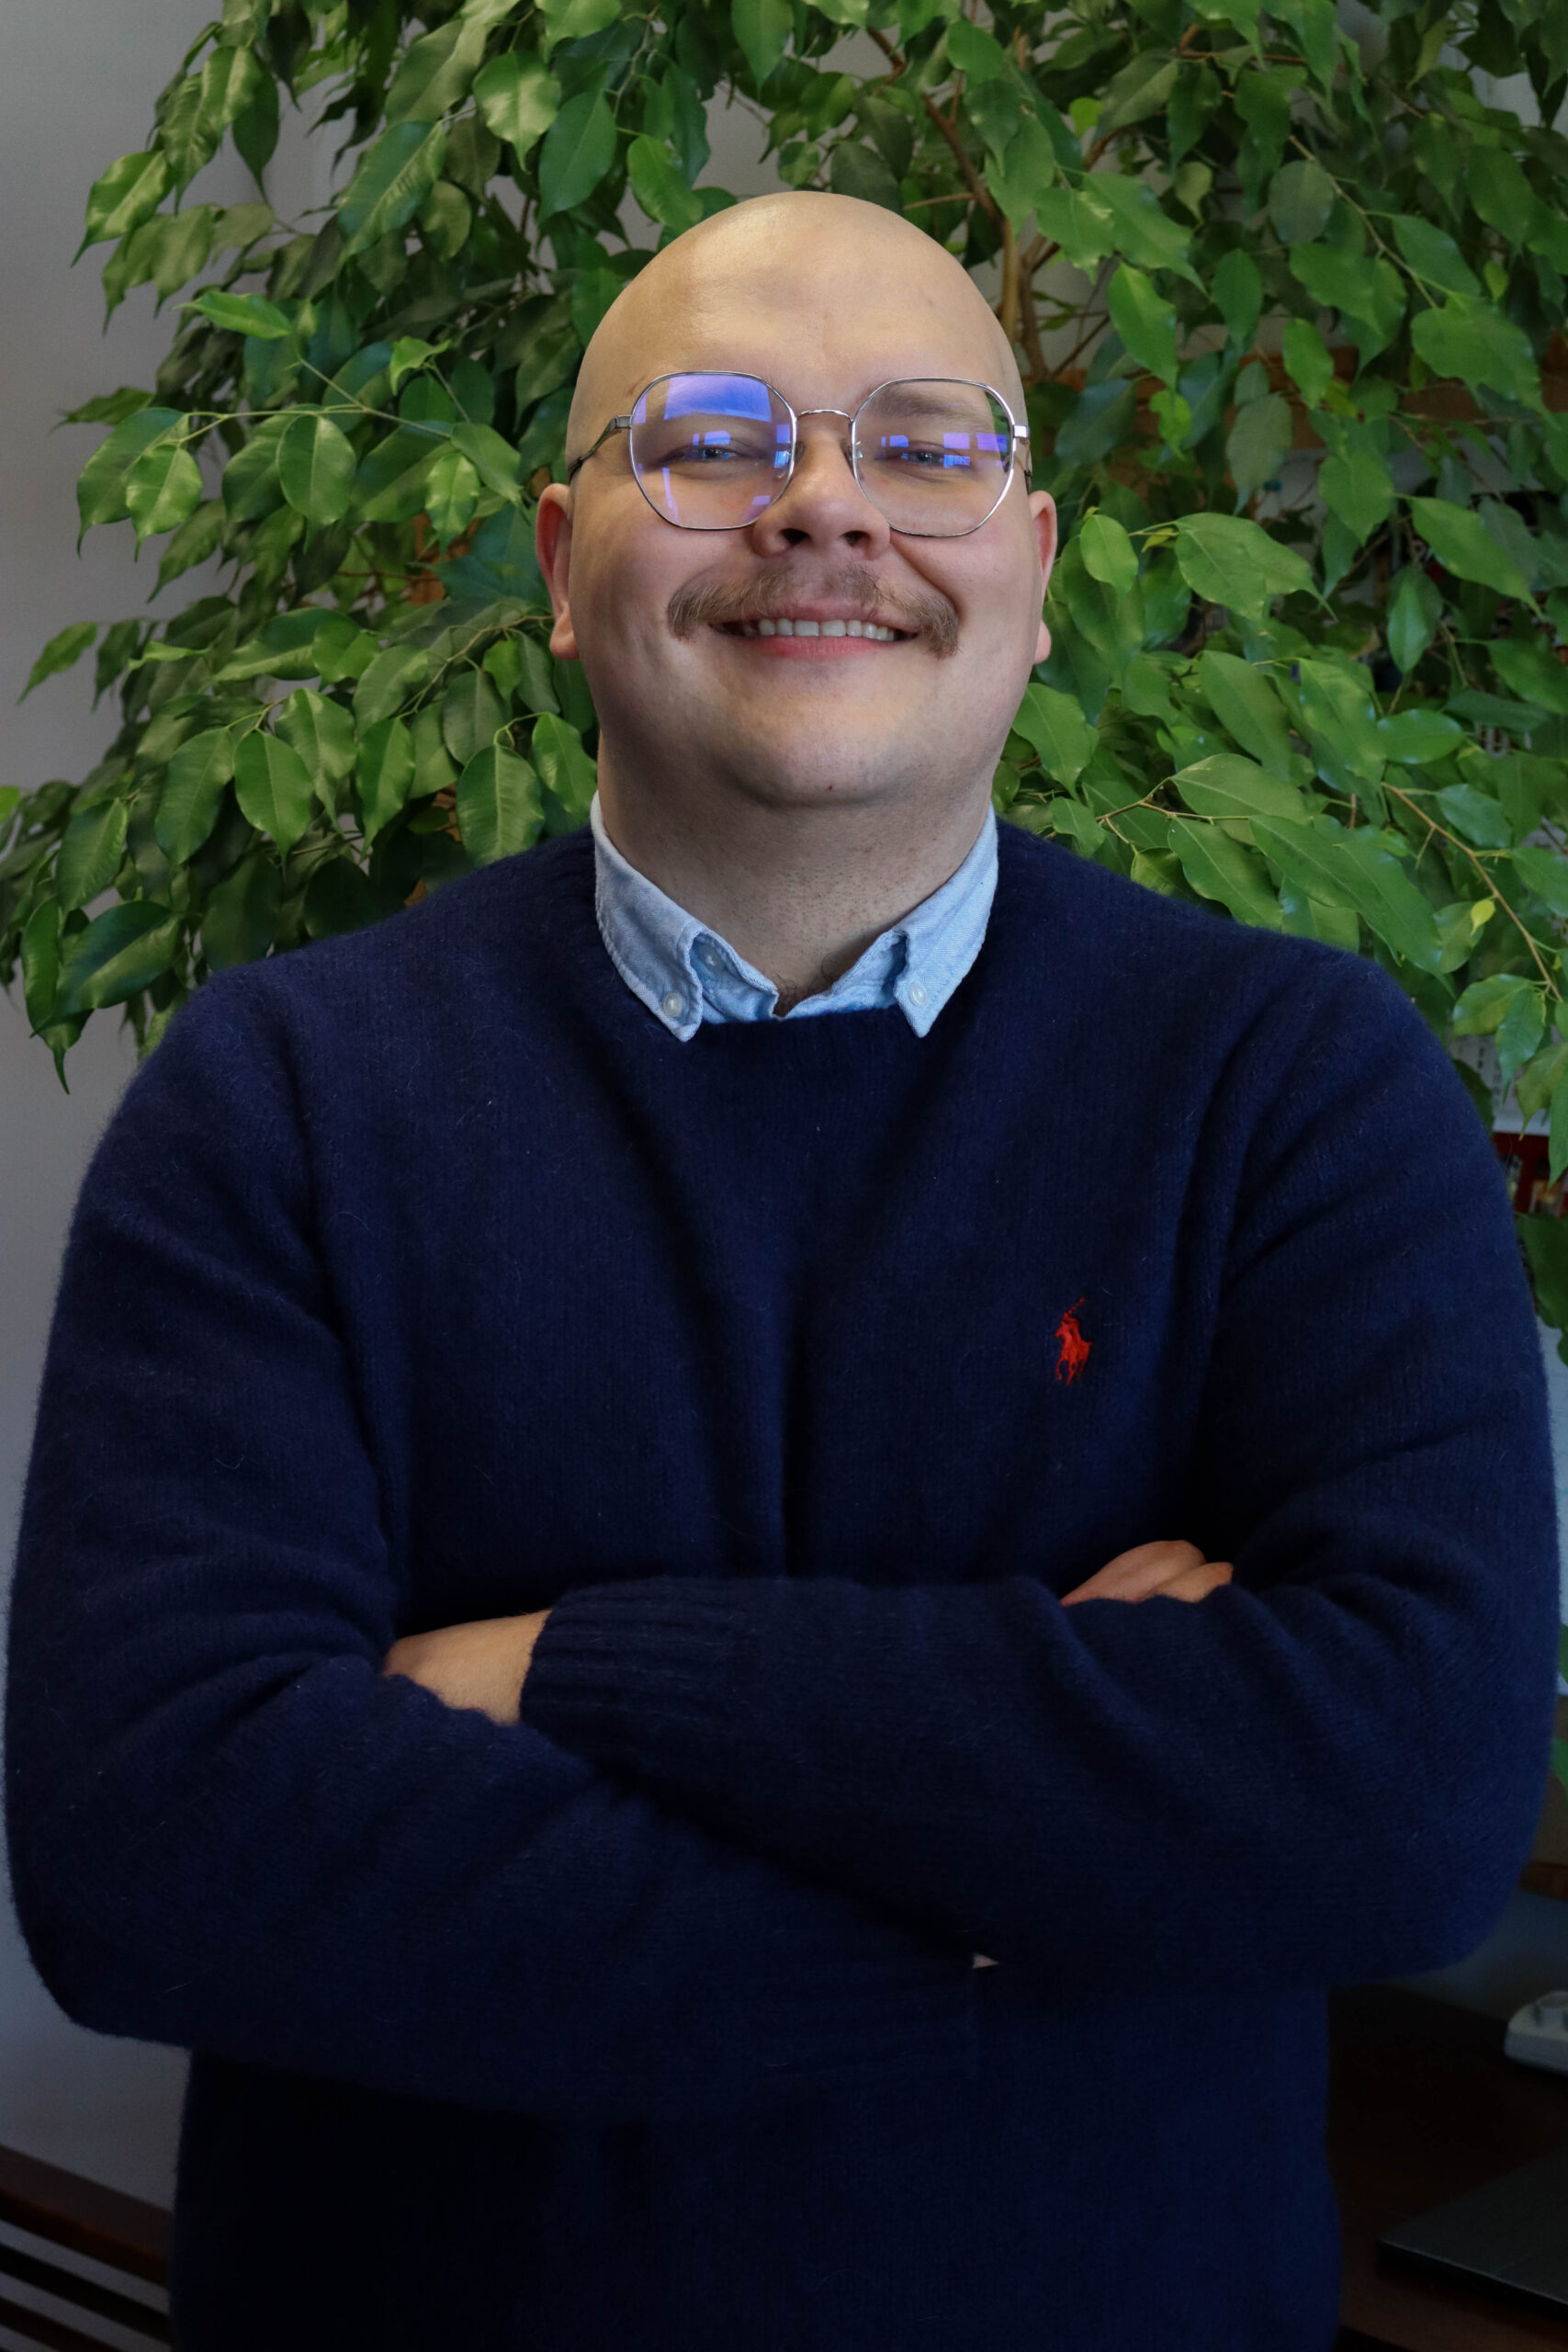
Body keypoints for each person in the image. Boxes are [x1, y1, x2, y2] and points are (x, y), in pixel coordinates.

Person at [5, 190, 1559, 2352]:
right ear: (564, 564)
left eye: (923, 445)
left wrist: (567, 1668)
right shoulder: (284, 1095)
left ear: (1030, 574)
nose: (823, 505)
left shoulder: (1291, 1084)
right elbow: (158, 1849)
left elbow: (1401, 1803)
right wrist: (1023, 1893)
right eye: (713, 438)